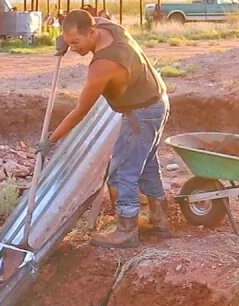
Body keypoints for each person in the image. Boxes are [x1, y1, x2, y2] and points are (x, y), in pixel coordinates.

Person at [43, 9, 171, 248]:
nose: (73, 48)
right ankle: (159, 219)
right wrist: (65, 37)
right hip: (156, 102)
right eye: (68, 42)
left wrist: (51, 139)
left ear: (91, 33)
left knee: (123, 171)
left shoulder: (103, 65)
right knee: (147, 164)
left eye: (76, 42)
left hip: (141, 113)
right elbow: (93, 19)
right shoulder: (109, 28)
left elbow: (80, 111)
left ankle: (126, 229)